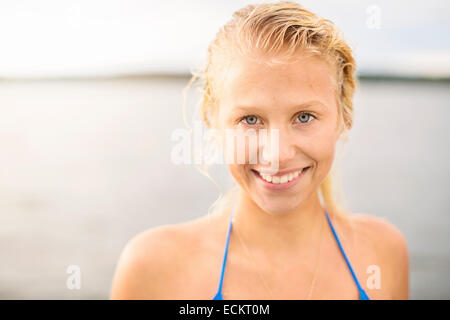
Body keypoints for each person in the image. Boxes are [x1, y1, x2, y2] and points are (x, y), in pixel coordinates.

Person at [110, 1, 409, 300]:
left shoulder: (384, 252)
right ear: (212, 122)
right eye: (250, 119)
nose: (277, 155)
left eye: (304, 117)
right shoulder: (154, 268)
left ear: (344, 117)